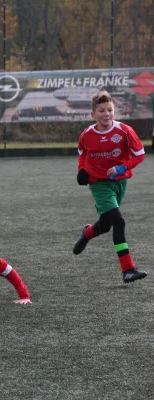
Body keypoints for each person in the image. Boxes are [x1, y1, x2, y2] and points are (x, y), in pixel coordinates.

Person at [73, 90, 146, 283]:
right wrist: (82, 170)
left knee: (105, 225)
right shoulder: (87, 134)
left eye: (110, 110)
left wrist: (122, 167)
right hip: (98, 183)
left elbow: (139, 155)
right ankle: (128, 269)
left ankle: (87, 233)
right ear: (93, 114)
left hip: (119, 182)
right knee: (119, 222)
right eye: (102, 111)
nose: (106, 114)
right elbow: (82, 152)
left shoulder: (124, 130)